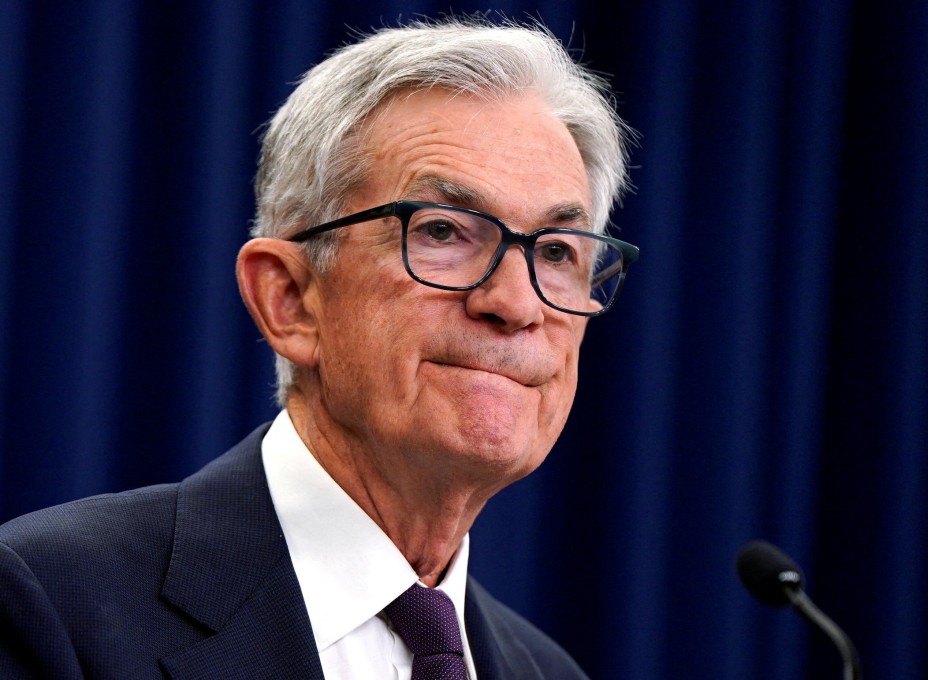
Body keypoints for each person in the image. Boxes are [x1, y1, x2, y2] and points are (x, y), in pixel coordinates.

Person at [0, 17, 638, 680]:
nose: (516, 304)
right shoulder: (49, 606)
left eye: (558, 251)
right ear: (291, 299)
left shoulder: (549, 672)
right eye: (444, 232)